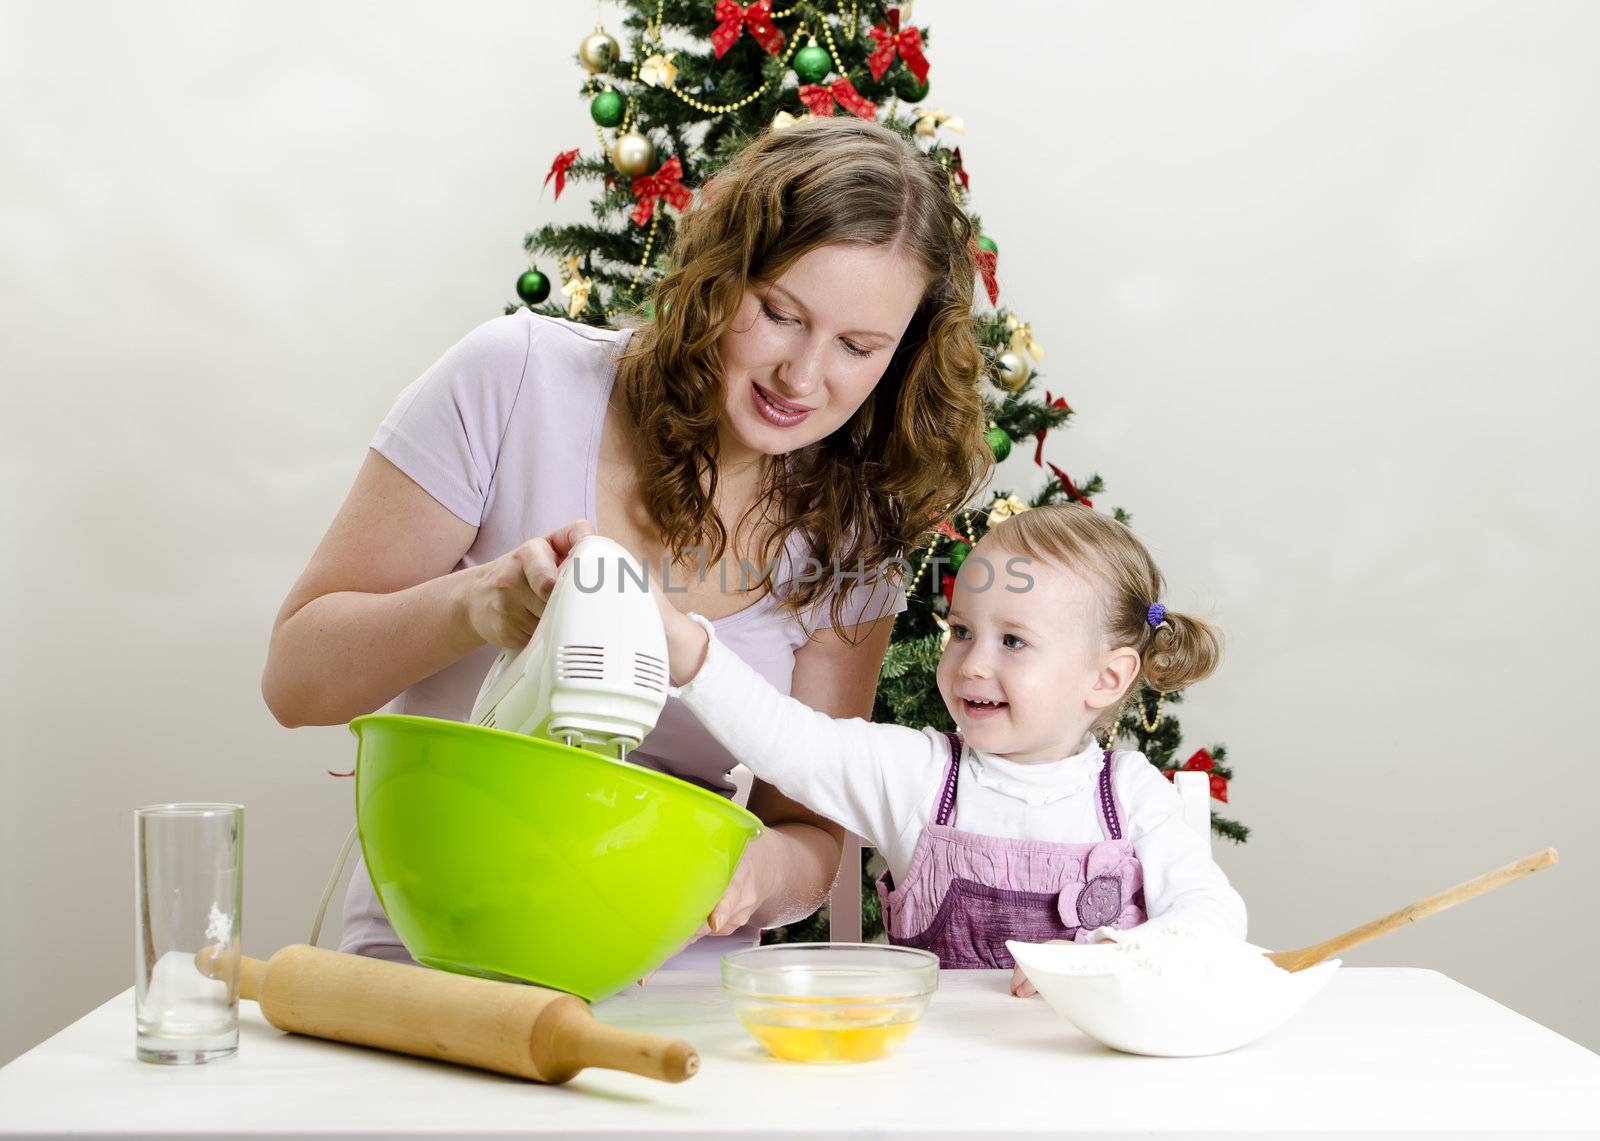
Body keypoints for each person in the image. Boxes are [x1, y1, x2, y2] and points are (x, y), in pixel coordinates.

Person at [261, 116, 993, 968]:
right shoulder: (514, 381)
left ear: (900, 356)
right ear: (723, 276)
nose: (803, 376)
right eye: (780, 313)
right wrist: (475, 606)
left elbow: (811, 832)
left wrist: (758, 876)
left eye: (858, 347)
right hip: (431, 961)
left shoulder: (852, 535)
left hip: (675, 990)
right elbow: (294, 681)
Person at [640, 502, 1247, 995]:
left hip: (1093, 1086)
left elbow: (1213, 918)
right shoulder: (920, 777)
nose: (972, 664)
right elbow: (788, 742)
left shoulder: (1134, 796)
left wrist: (1116, 955)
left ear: (1107, 677)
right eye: (961, 632)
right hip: (939, 1082)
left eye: (1013, 641)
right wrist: (686, 647)